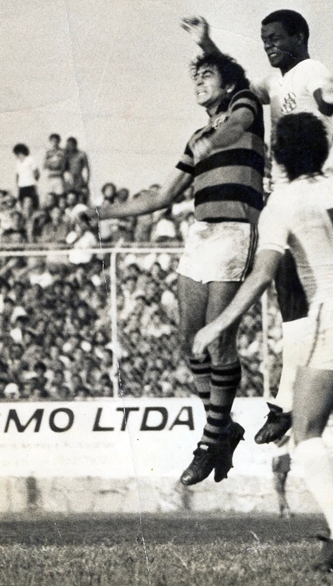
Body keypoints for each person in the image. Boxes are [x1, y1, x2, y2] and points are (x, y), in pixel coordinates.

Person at [193, 113, 333, 571]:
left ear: (279, 155)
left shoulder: (285, 201)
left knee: (305, 429)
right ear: (324, 150)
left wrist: (219, 324)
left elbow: (262, 274)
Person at [88, 52, 265, 486]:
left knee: (219, 337)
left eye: (208, 75)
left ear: (227, 85)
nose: (199, 82)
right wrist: (100, 212)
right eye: (196, 77)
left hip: (235, 230)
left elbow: (239, 124)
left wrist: (218, 138)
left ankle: (210, 441)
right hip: (202, 234)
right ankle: (224, 429)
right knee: (191, 340)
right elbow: (161, 196)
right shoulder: (197, 136)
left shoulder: (245, 108)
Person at [182, 11, 333, 444]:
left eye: (276, 38)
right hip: (288, 196)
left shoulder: (309, 69)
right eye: (264, 39)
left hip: (300, 192)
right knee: (293, 297)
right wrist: (207, 44)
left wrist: (331, 97)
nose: (269, 45)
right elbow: (238, 82)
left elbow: (325, 95)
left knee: (292, 294)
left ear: (300, 36)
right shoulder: (275, 84)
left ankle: (287, 401)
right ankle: (287, 400)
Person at [13, 143, 40, 210]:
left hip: (30, 185)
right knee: (22, 203)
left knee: (33, 203)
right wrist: (17, 185)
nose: (17, 155)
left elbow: (36, 172)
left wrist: (32, 180)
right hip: (21, 186)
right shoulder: (17, 162)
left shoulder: (30, 159)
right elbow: (17, 175)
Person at [64, 137, 90, 201]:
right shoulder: (66, 155)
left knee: (82, 195)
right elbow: (64, 169)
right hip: (70, 179)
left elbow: (86, 169)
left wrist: (86, 182)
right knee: (70, 196)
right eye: (68, 145)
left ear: (75, 145)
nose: (70, 147)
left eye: (71, 145)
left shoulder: (81, 154)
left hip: (79, 178)